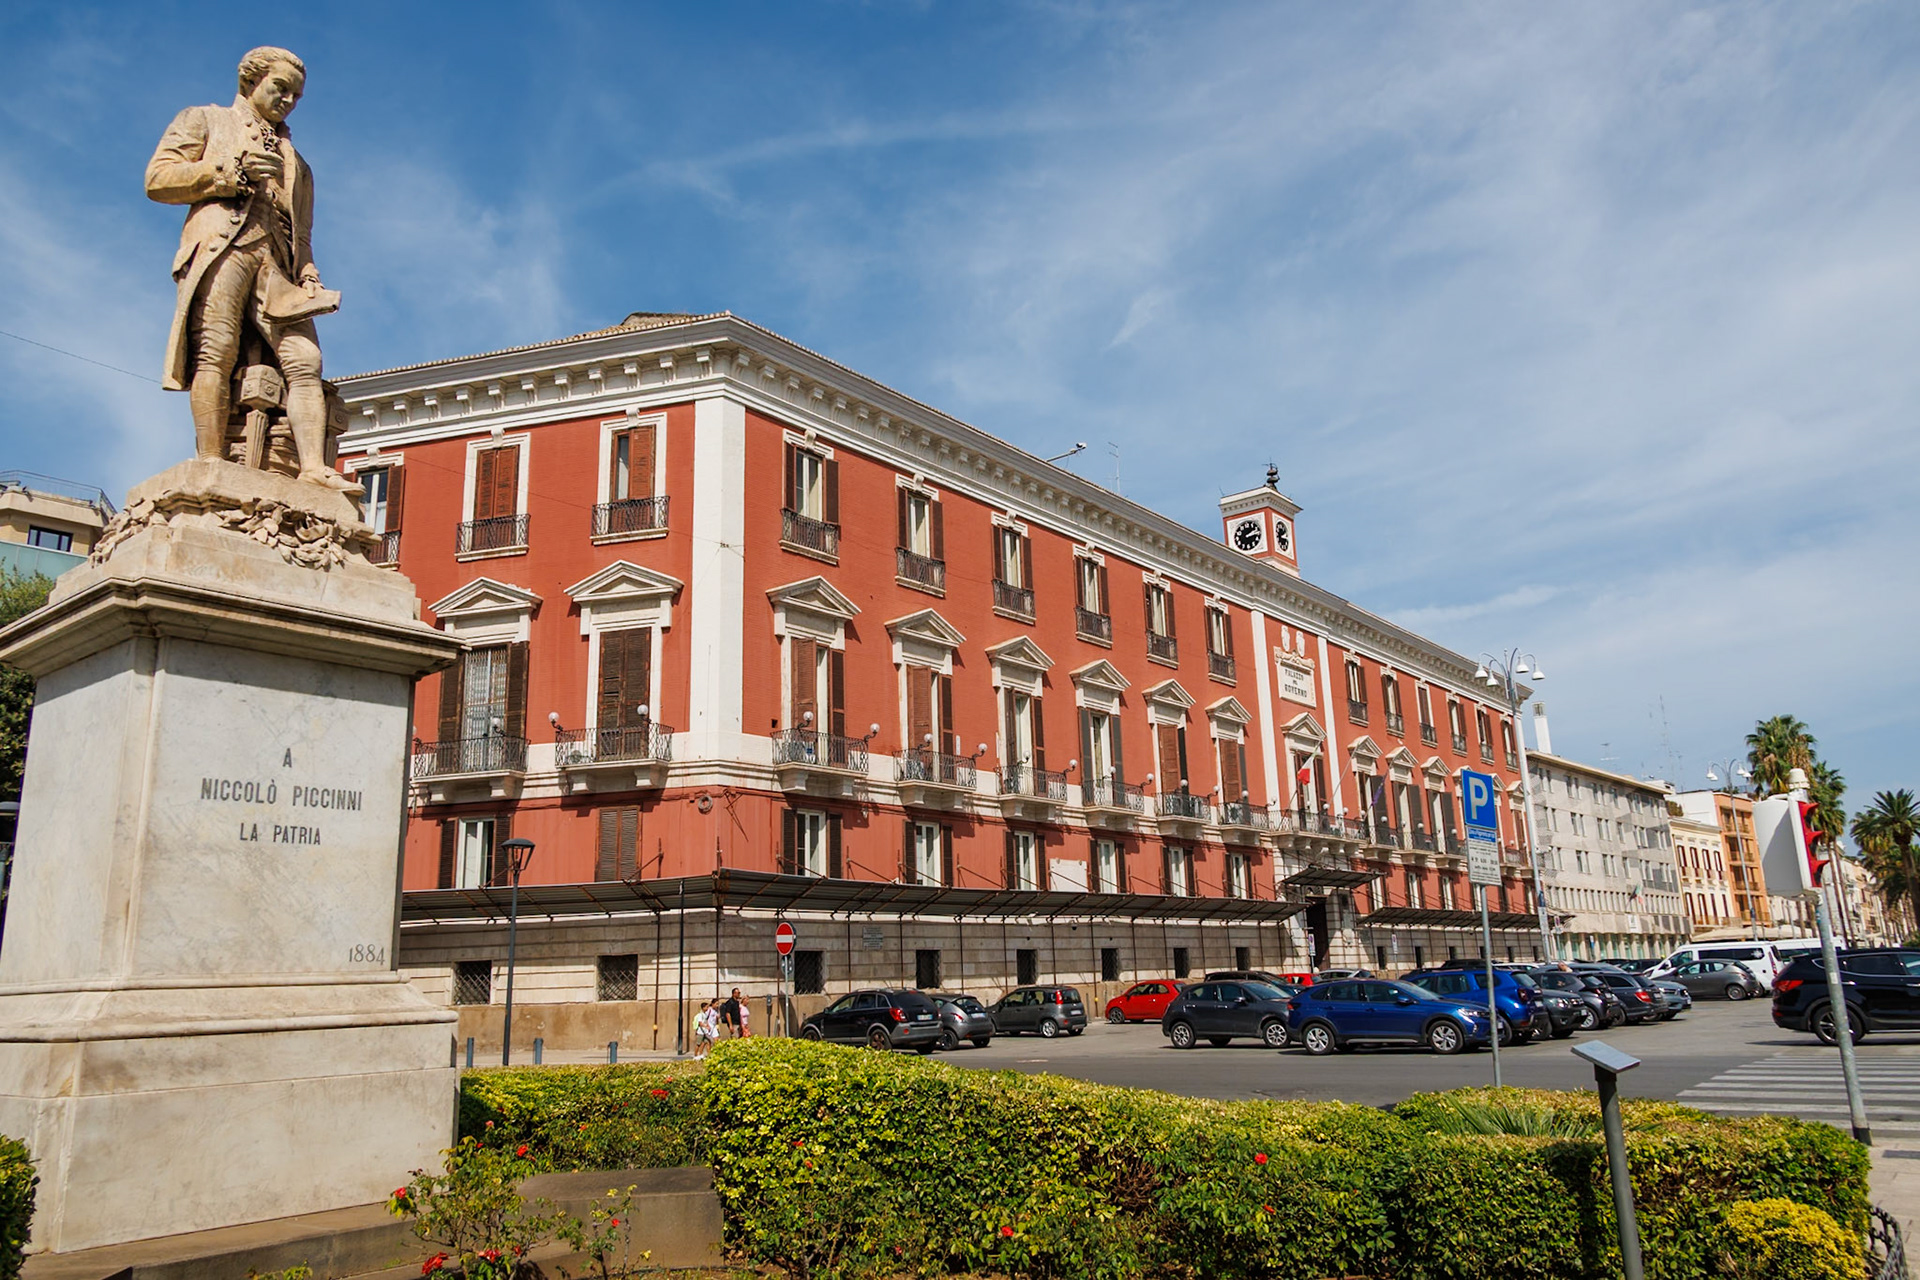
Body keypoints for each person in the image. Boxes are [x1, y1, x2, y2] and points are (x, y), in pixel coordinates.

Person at [145, 46, 349, 487]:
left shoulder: (299, 165)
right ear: (250, 81)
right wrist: (228, 173)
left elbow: (304, 235)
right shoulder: (205, 120)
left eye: (296, 95)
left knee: (305, 359)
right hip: (223, 246)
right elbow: (158, 179)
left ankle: (313, 468)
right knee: (213, 351)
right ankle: (211, 461)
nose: (289, 101)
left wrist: (308, 273)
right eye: (281, 88)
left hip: (277, 268)